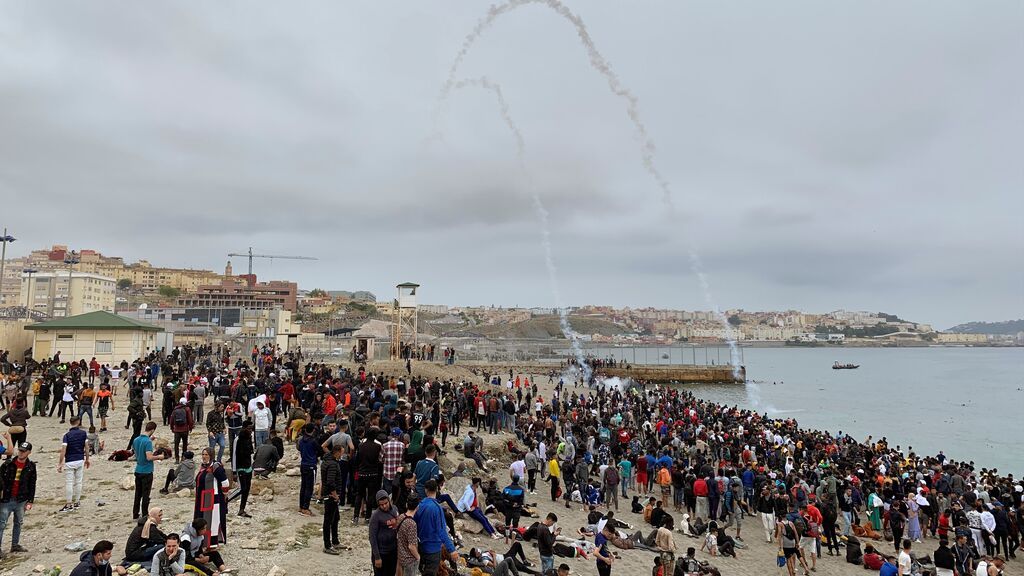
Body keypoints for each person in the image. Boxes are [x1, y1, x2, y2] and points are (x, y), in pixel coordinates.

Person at [414, 479, 458, 576]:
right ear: (437, 489)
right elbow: (441, 531)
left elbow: (414, 525)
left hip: (420, 547)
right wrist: (451, 549)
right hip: (433, 549)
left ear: (425, 490)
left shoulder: (420, 505)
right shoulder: (437, 508)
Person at [0, 441, 35, 557]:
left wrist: (30, 500)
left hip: (21, 499)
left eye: (23, 451)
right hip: (7, 499)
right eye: (20, 450)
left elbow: (32, 483)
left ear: (29, 452)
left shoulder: (31, 466)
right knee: (1, 524)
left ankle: (15, 544)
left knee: (18, 522)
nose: (20, 453)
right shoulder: (7, 464)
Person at [193, 447, 229, 547]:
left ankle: (213, 542)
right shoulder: (204, 466)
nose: (204, 457)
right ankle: (202, 541)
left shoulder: (216, 467)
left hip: (214, 500)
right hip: (203, 499)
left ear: (211, 455)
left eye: (206, 455)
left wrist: (224, 495)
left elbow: (225, 482)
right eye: (203, 455)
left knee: (213, 520)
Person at [132, 421, 166, 520]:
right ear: (152, 430)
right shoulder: (147, 442)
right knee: (146, 495)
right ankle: (144, 514)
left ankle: (135, 513)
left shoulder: (136, 439)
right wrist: (159, 456)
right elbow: (149, 457)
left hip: (138, 469)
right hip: (146, 471)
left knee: (138, 493)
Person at [58, 416, 89, 512]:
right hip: (80, 459)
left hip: (70, 460)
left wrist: (60, 463)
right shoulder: (83, 433)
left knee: (69, 482)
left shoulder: (67, 435)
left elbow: (63, 450)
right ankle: (77, 502)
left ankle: (68, 504)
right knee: (78, 481)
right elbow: (86, 447)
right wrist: (87, 458)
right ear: (78, 422)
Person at [369, 489, 399, 576]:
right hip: (381, 553)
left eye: (386, 503)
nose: (384, 506)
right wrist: (377, 557)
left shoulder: (395, 510)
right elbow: (372, 537)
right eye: (381, 505)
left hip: (392, 551)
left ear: (389, 501)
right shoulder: (375, 516)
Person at [321, 442, 343, 555]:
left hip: (329, 495)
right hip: (331, 497)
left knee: (335, 519)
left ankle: (335, 541)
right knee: (328, 520)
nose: (342, 456)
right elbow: (330, 482)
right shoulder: (333, 464)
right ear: (337, 452)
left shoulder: (326, 461)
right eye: (341, 453)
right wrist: (335, 495)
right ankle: (327, 545)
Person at [230, 419, 254, 517]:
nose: (251, 430)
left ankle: (242, 509)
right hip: (240, 467)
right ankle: (226, 499)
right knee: (241, 488)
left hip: (248, 467)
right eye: (249, 428)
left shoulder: (249, 438)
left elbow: (250, 453)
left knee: (247, 489)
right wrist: (234, 471)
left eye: (251, 428)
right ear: (244, 428)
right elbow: (234, 455)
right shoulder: (237, 439)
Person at [296, 423, 318, 516]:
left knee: (303, 486)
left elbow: (299, 449)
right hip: (311, 465)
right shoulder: (313, 441)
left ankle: (301, 506)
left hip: (303, 464)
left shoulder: (301, 440)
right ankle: (305, 508)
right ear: (313, 430)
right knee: (309, 488)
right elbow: (319, 450)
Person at [396, 497, 420, 576]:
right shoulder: (412, 524)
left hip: (401, 556)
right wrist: (418, 557)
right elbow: (411, 546)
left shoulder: (401, 517)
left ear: (407, 505)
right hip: (409, 560)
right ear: (417, 507)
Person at [169, 398, 193, 464]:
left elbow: (171, 419)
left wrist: (172, 428)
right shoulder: (187, 409)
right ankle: (183, 457)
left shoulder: (175, 409)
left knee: (176, 445)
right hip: (185, 430)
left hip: (177, 430)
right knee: (184, 444)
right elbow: (190, 419)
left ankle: (177, 459)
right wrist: (190, 427)